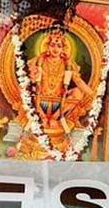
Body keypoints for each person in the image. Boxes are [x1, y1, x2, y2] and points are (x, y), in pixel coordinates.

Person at [26, 22, 95, 150]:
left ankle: (55, 118)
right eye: (52, 45)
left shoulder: (68, 64)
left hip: (59, 104)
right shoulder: (39, 60)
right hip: (39, 101)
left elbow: (78, 82)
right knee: (29, 97)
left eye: (59, 45)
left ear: (63, 48)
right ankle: (42, 117)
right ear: (47, 46)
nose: (55, 49)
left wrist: (94, 95)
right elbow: (27, 79)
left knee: (78, 93)